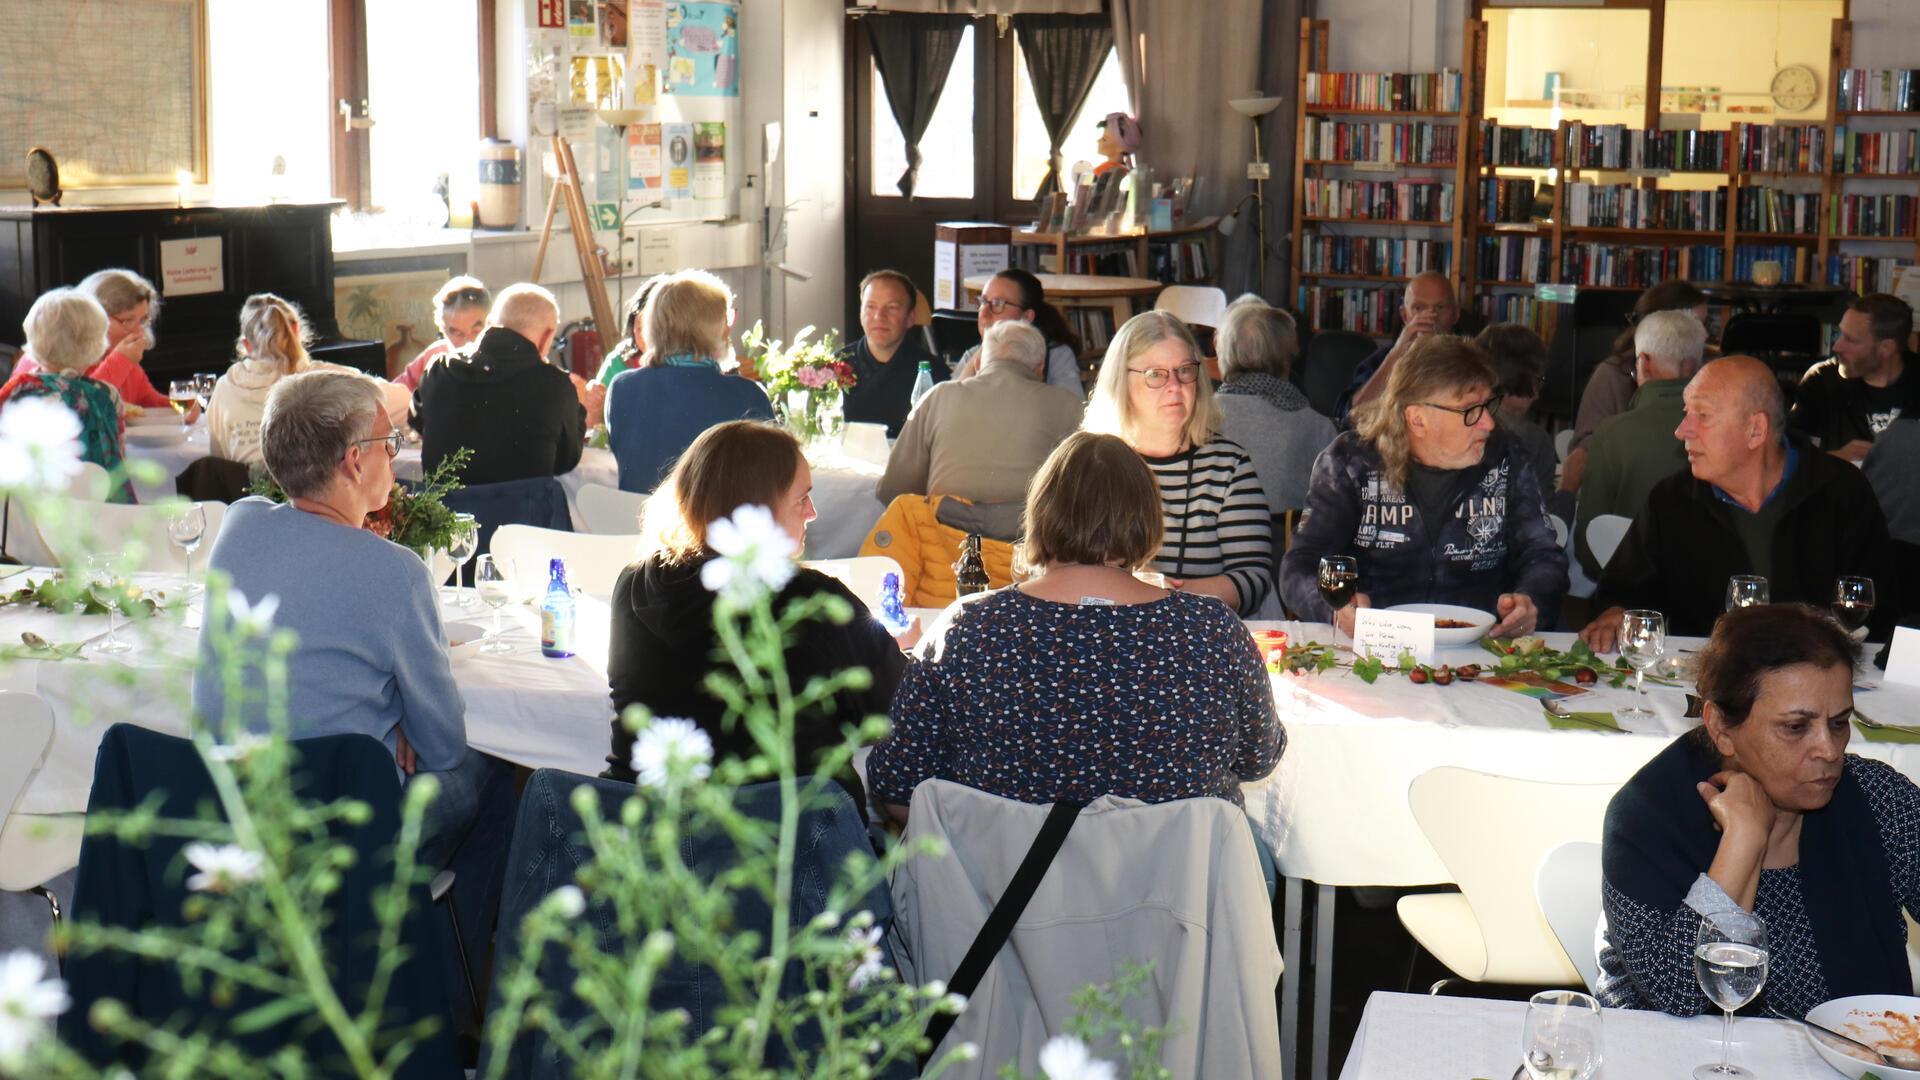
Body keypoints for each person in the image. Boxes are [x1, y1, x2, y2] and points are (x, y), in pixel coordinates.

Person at [192, 369, 515, 1011]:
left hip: (237, 806)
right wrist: (396, 724)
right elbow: (444, 744)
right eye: (389, 444)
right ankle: (448, 1003)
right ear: (353, 459)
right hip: (340, 821)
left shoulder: (239, 526)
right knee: (498, 778)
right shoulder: (394, 571)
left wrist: (386, 718)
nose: (395, 458)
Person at [867, 430, 1283, 818]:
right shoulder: (1211, 631)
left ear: (1041, 514)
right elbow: (1257, 759)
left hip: (1003, 893)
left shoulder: (968, 628)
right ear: (1148, 519)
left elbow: (895, 785)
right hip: (1177, 891)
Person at [1596, 604, 1920, 1017]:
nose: (1829, 749)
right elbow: (1680, 995)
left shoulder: (1878, 799)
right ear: (1720, 728)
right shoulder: (1647, 819)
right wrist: (1744, 839)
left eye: (1839, 723)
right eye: (1796, 727)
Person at [603, 420, 908, 808]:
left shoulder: (634, 585)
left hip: (655, 835)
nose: (812, 513)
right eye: (801, 499)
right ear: (755, 511)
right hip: (797, 845)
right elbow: (892, 713)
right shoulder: (814, 600)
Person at [1580, 356, 1898, 649]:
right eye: (1685, 413)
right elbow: (1624, 589)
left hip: (1821, 677)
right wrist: (1615, 611)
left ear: (1756, 430)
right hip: (1704, 684)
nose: (1681, 431)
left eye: (1702, 415)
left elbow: (1877, 602)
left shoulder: (1839, 491)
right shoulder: (1673, 500)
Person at [1280, 335, 1568, 636]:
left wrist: (1531, 601)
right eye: (1471, 410)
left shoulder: (1508, 458)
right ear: (1417, 420)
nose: (1489, 423)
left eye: (1488, 405)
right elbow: (1301, 564)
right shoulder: (1351, 463)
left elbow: (1543, 556)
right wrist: (1334, 609)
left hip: (1482, 647)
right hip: (1379, 646)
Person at [1083, 311, 1275, 616]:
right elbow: (1059, 568)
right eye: (1156, 374)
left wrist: (1164, 595)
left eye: (1184, 370)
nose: (1174, 385)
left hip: (1200, 635)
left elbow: (1253, 579)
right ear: (1121, 380)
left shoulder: (1228, 465)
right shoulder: (1090, 465)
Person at [877, 321, 1084, 540]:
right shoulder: (1068, 404)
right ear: (1040, 369)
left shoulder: (938, 396)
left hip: (944, 549)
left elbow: (893, 490)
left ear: (977, 364)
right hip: (1030, 552)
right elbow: (1085, 496)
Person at [604, 269, 774, 493]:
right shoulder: (747, 396)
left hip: (641, 523)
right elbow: (776, 477)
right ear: (717, 327)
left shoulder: (622, 388)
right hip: (711, 524)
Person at [1572, 309, 1707, 577]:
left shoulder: (1612, 433)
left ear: (1643, 362)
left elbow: (1588, 547)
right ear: (1694, 367)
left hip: (1626, 596)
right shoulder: (1719, 430)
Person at [410, 282, 585, 486]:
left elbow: (417, 421)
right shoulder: (556, 385)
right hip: (522, 516)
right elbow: (566, 460)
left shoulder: (440, 370)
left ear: (490, 323)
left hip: (446, 515)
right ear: (547, 337)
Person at [207, 294, 410, 466]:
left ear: (246, 345)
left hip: (247, 505)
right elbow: (405, 402)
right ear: (295, 330)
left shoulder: (224, 388)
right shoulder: (323, 380)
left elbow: (219, 457)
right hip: (312, 507)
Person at [1563, 280, 1710, 492]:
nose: (1704, 335)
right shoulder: (1613, 374)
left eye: (1705, 325)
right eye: (1697, 324)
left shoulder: (1707, 375)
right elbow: (1583, 448)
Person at [0, 288, 128, 498]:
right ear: (96, 343)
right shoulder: (105, 395)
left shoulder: (15, 392)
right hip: (95, 510)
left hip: (25, 517)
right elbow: (119, 460)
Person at [1213, 297, 1335, 513]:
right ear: (1287, 358)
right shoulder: (1318, 426)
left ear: (1223, 353)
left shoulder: (1203, 416)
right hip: (1291, 540)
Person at [11, 269, 174, 415]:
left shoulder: (119, 356)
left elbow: (147, 398)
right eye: (127, 321)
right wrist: (120, 362)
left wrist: (181, 406)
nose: (139, 332)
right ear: (95, 318)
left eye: (143, 320)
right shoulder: (48, 356)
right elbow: (81, 405)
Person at [1790, 292, 1920, 461]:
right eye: (1840, 333)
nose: (1836, 346)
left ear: (1886, 348)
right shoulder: (1821, 380)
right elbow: (1787, 460)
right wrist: (1836, 460)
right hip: (1841, 484)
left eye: (1850, 340)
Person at [1338, 270, 1462, 424]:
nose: (1431, 317)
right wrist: (1396, 354)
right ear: (1404, 315)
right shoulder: (1383, 359)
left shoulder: (1471, 361)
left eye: (1440, 307)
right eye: (1419, 308)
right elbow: (1352, 417)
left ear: (1456, 314)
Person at [842, 269, 944, 438]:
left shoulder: (934, 373)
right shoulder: (836, 366)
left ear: (911, 317)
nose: (879, 316)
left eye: (892, 308)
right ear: (860, 313)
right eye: (871, 307)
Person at [948, 268, 1084, 394]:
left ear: (1026, 317)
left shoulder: (1056, 356)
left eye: (998, 304)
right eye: (983, 302)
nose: (984, 313)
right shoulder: (972, 355)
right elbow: (949, 404)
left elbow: (1073, 411)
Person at [1474, 322, 1560, 509]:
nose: (1537, 394)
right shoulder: (1533, 440)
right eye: (1538, 380)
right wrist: (1569, 486)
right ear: (1517, 377)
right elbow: (1548, 522)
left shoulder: (1454, 423)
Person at [394, 276, 491, 392]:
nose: (468, 342)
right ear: (443, 329)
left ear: (491, 324)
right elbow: (396, 393)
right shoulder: (434, 357)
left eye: (476, 331)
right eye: (458, 333)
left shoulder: (503, 357)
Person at [592, 276, 662, 388]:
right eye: (639, 328)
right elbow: (602, 397)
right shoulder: (621, 360)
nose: (644, 336)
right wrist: (593, 402)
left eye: (652, 328)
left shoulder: (689, 362)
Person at [1093, 112, 1140, 178]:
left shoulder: (1101, 171)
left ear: (1120, 147)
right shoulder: (1127, 172)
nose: (1098, 140)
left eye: (1104, 139)